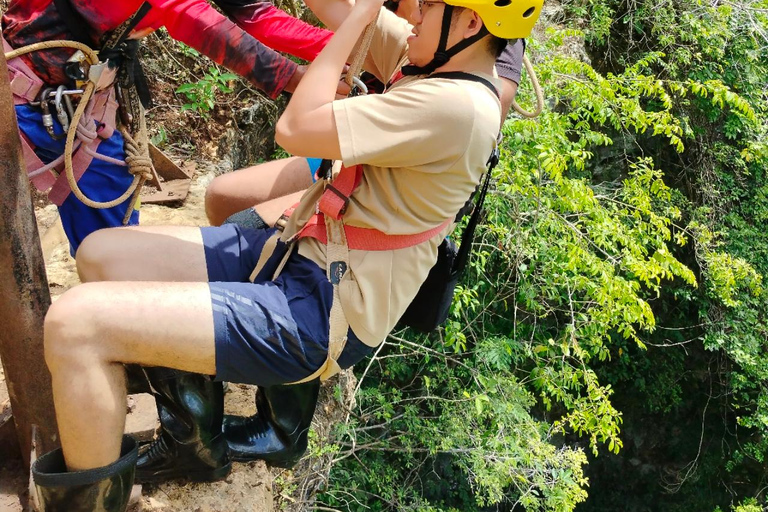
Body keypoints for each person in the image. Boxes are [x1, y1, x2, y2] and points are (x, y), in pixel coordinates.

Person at [32, 0, 542, 508]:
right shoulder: (435, 60)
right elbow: (338, 7)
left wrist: (361, 22)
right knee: (102, 254)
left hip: (320, 309)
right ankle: (193, 439)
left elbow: (296, 127)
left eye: (428, 7)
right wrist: (362, 14)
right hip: (295, 254)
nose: (412, 15)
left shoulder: (455, 106)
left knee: (76, 325)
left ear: (470, 23)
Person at [202, 36, 527, 468]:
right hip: (354, 155)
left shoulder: (483, 49)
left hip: (388, 177)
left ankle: (284, 423)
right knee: (225, 200)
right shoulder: (421, 29)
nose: (415, 18)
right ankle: (240, 351)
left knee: (284, 253)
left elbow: (487, 108)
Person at [1, 0, 335, 254]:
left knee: (109, 211)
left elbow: (257, 15)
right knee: (111, 239)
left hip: (64, 97)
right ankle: (111, 313)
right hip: (37, 99)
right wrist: (298, 78)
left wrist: (354, 52)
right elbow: (188, 15)